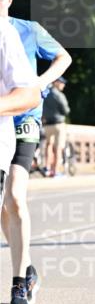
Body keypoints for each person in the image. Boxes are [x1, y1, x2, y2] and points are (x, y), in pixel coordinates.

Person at [0, 0, 72, 304]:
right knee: (4, 205)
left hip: (25, 117)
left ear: (10, 0)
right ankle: (26, 265)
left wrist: (40, 84)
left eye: (1, 0)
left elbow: (63, 57)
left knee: (15, 194)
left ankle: (19, 283)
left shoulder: (27, 29)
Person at [0, 19, 40, 208]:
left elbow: (29, 94)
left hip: (21, 124)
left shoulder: (5, 31)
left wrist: (45, 80)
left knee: (15, 194)